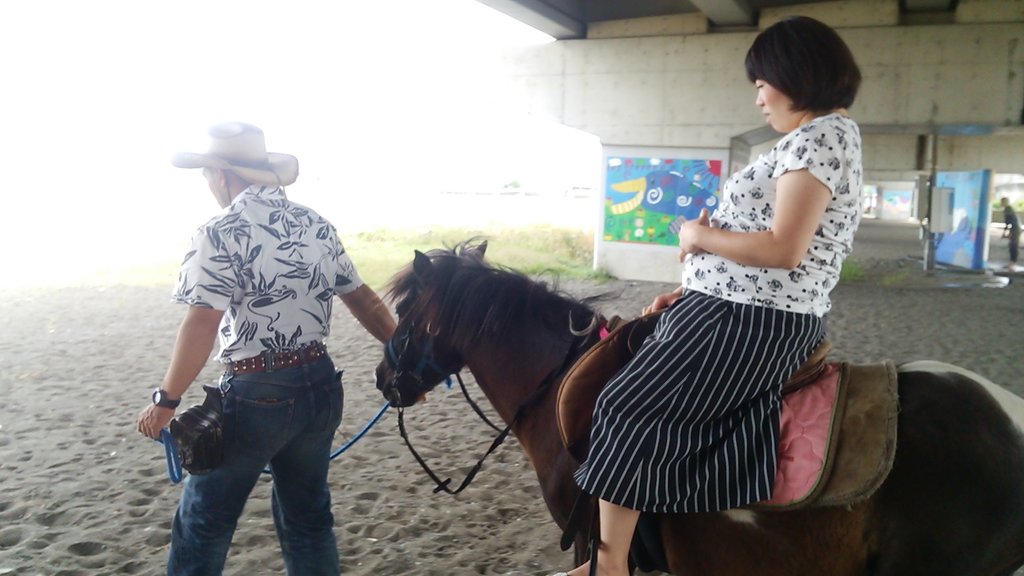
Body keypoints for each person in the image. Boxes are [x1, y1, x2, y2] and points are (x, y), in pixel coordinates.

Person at [551, 16, 863, 576]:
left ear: (794, 74)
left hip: (755, 319)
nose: (760, 98)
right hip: (730, 304)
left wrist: (696, 237)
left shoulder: (823, 137)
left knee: (623, 408)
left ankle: (610, 565)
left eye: (761, 82)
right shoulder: (810, 138)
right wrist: (694, 287)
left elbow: (784, 248)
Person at [136, 122, 396, 575]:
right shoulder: (314, 223)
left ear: (221, 174)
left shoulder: (219, 231)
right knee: (309, 520)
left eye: (207, 175)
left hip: (256, 394)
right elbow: (364, 299)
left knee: (203, 523)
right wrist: (401, 355)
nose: (207, 183)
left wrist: (167, 399)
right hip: (320, 386)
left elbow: (202, 321)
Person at [1000, 196, 1020, 270]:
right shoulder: (1009, 208)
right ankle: (1012, 262)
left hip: (1015, 229)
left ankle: (1012, 263)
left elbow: (1008, 222)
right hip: (1015, 228)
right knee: (1012, 245)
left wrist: (1006, 233)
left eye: (1002, 202)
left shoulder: (1007, 209)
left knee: (1013, 246)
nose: (1001, 203)